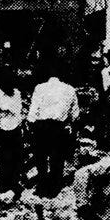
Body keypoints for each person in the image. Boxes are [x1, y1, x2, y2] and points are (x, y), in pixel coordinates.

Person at [27, 68, 80, 197]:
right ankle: (54, 188)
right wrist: (73, 133)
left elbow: (32, 113)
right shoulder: (70, 89)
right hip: (58, 127)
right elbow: (75, 115)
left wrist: (31, 128)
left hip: (41, 126)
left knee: (41, 157)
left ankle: (42, 184)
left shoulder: (39, 88)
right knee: (57, 158)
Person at [0, 69, 24, 197]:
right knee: (4, 160)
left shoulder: (17, 93)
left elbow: (19, 112)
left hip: (16, 131)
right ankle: (3, 187)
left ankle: (15, 186)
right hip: (3, 132)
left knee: (17, 159)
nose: (11, 84)